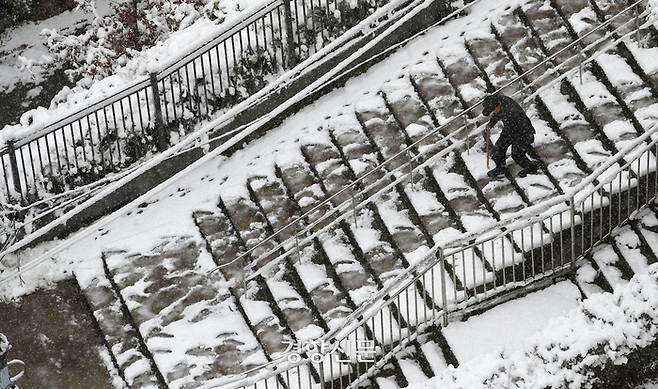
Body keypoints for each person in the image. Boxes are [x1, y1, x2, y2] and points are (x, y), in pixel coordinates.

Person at [481, 94, 541, 178]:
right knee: (498, 150)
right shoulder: (499, 101)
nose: (493, 112)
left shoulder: (511, 111)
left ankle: (531, 168)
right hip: (510, 128)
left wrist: (514, 142)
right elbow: (497, 114)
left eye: (493, 110)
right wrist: (490, 125)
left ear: (498, 105)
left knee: (516, 154)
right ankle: (501, 168)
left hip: (523, 132)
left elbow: (500, 115)